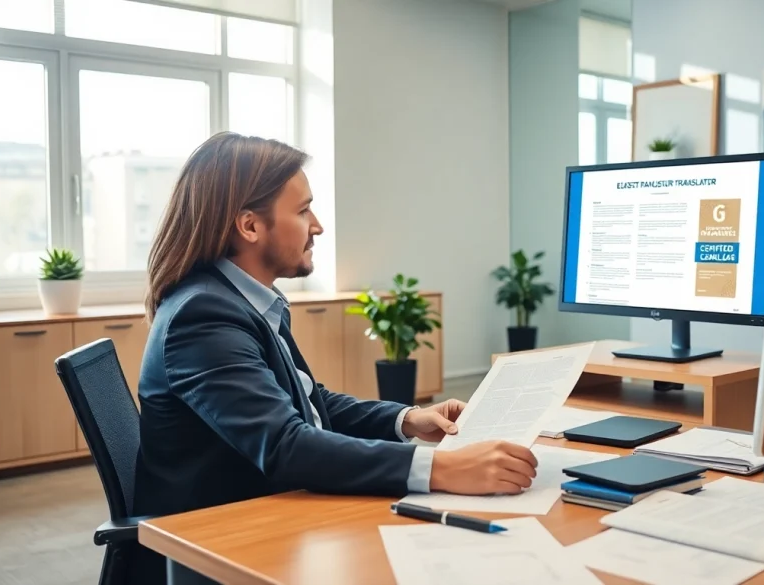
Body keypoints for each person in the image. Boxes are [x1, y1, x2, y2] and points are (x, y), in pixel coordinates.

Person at [131, 132, 538, 583]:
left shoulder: (241, 299)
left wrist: (405, 419)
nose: (318, 226)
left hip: (273, 507)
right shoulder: (203, 316)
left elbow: (308, 399)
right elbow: (286, 445)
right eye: (303, 211)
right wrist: (445, 468)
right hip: (226, 540)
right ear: (249, 226)